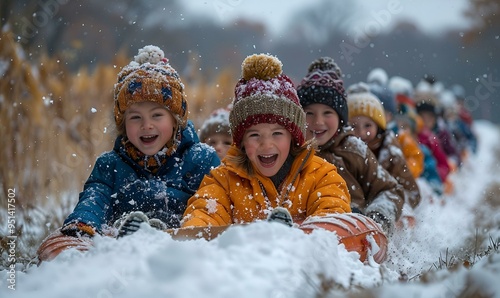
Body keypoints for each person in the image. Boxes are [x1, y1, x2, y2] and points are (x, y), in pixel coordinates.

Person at [60, 45, 220, 238]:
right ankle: (133, 230)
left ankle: (158, 231)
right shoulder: (110, 165)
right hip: (123, 246)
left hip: (179, 242)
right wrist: (82, 224)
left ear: (175, 120)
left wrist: (194, 228)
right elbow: (94, 199)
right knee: (115, 228)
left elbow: (211, 201)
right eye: (135, 117)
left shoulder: (200, 159)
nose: (147, 125)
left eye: (157, 115)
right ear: (123, 124)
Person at [181, 54, 351, 228]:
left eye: (277, 133)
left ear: (293, 137)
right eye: (254, 135)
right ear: (241, 142)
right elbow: (204, 214)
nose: (267, 144)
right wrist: (193, 231)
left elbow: (333, 220)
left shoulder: (321, 176)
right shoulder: (224, 180)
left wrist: (300, 237)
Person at [296, 57, 404, 236]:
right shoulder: (294, 151)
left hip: (353, 229)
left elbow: (390, 189)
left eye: (328, 113)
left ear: (340, 118)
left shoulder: (354, 149)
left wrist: (377, 216)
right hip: (308, 229)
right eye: (309, 113)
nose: (318, 121)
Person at [347, 82, 421, 210]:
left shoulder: (390, 150)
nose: (361, 133)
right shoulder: (345, 148)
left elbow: (411, 190)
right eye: (354, 126)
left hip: (389, 205)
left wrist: (391, 205)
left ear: (379, 126)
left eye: (368, 126)